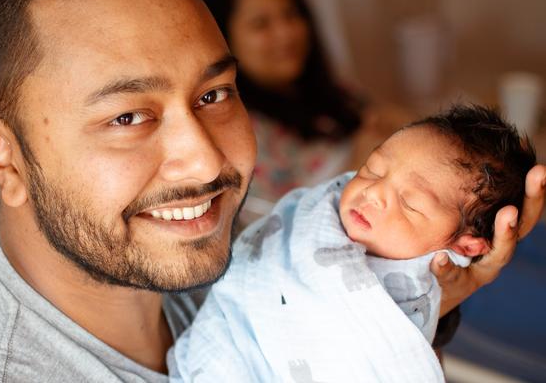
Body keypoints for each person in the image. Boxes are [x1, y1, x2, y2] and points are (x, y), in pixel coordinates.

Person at [0, 0, 546, 381]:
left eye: (213, 95)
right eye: (128, 117)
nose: (206, 158)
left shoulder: (178, 239)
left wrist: (423, 303)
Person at [171, 105, 537, 382]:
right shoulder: (316, 216)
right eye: (373, 169)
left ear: (465, 246)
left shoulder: (427, 285)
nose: (374, 192)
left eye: (410, 203)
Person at [200, 0, 404, 208]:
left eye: (291, 15)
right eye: (261, 24)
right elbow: (276, 228)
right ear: (223, 37)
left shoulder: (338, 93)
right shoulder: (238, 132)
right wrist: (361, 160)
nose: (286, 32)